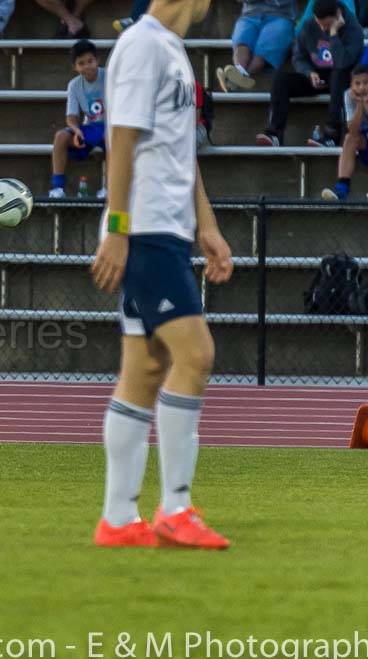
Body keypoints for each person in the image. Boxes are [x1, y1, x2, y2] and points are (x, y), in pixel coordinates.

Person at [91, 0, 233, 549]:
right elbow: (121, 140)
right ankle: (175, 507)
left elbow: (180, 154)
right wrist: (121, 230)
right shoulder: (143, 45)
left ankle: (118, 519)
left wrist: (208, 226)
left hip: (166, 229)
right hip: (145, 229)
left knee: (145, 371)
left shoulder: (175, 51)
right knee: (195, 355)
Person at [256, 0, 363, 147]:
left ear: (338, 15)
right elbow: (298, 57)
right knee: (281, 79)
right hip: (317, 77)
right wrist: (309, 72)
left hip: (342, 80)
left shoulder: (354, 29)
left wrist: (333, 34)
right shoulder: (309, 25)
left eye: (326, 24)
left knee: (339, 74)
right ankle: (275, 132)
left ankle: (332, 135)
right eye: (320, 23)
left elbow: (343, 62)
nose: (322, 28)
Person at [321, 65, 368, 200]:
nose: (361, 87)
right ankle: (341, 189)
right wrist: (360, 104)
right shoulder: (348, 95)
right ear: (352, 85)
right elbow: (353, 130)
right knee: (349, 138)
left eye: (366, 82)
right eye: (357, 83)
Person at [49, 39, 106, 199]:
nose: (87, 66)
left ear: (97, 60)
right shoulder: (74, 85)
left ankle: (109, 187)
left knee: (112, 136)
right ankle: (57, 187)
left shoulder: (109, 76)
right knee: (61, 136)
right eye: (81, 63)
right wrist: (76, 130)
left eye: (90, 61)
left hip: (110, 126)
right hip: (90, 128)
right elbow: (71, 117)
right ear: (75, 67)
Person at [216, 0, 296, 92]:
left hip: (280, 16)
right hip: (249, 16)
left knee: (264, 50)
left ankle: (235, 79)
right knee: (242, 41)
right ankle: (238, 74)